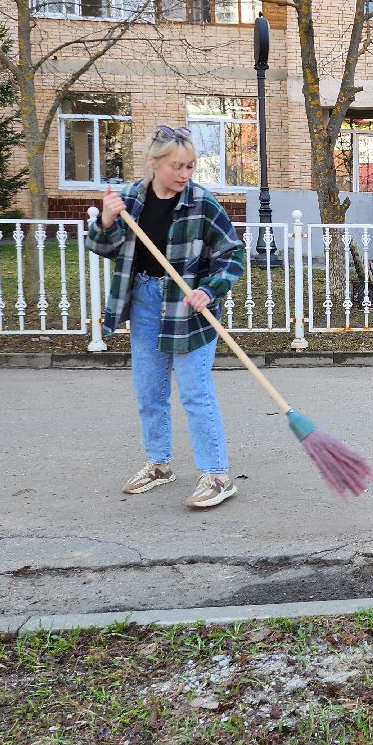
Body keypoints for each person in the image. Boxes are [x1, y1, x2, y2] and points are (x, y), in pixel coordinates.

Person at [88, 125, 248, 510]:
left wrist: (209, 289)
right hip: (144, 299)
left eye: (190, 166)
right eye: (177, 166)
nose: (184, 174)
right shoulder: (128, 199)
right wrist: (107, 222)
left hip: (189, 307)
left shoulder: (202, 203)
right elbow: (101, 246)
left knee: (196, 393)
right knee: (150, 392)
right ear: (154, 163)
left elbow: (233, 254)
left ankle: (217, 475)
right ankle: (159, 465)